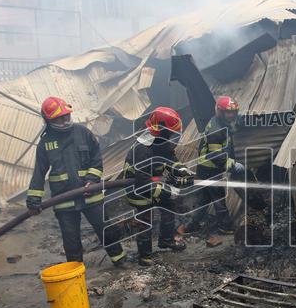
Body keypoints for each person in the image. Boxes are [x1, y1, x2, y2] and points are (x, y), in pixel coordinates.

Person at [26, 96, 126, 266]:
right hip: (63, 199)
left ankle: (120, 260)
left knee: (105, 229)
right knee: (71, 240)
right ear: (48, 120)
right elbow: (39, 172)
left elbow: (96, 159)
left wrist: (92, 179)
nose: (66, 121)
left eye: (67, 116)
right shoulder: (45, 143)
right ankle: (75, 273)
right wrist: (34, 199)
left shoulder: (83, 133)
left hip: (90, 195)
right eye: (60, 118)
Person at [124, 107, 190, 266]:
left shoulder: (162, 141)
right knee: (145, 220)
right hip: (138, 191)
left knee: (169, 206)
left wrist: (182, 170)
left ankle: (166, 241)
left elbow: (170, 158)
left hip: (153, 184)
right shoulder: (142, 149)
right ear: (160, 130)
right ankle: (145, 256)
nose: (173, 137)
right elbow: (143, 182)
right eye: (171, 133)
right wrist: (168, 192)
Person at [177, 96, 245, 247]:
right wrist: (233, 164)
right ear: (220, 111)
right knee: (219, 198)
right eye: (228, 112)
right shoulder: (217, 129)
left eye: (233, 112)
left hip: (207, 169)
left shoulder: (222, 123)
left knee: (204, 199)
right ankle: (225, 226)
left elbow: (226, 147)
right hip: (210, 170)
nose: (231, 115)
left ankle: (189, 226)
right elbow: (215, 155)